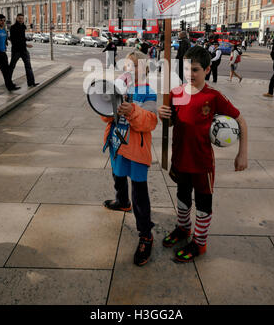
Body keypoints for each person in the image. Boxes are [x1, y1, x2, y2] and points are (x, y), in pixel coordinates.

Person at [158, 45, 248, 262]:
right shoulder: (176, 93)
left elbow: (240, 121)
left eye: (195, 69)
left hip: (202, 163)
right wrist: (163, 116)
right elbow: (171, 123)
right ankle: (183, 228)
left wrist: (242, 153)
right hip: (180, 159)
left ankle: (199, 243)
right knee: (181, 198)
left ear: (207, 70)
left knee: (203, 203)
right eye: (187, 69)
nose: (190, 74)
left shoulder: (213, 96)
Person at [101, 50, 158, 266]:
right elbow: (106, 116)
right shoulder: (118, 87)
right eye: (127, 66)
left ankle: (145, 234)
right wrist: (109, 106)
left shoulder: (149, 92)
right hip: (117, 144)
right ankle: (122, 202)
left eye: (135, 66)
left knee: (139, 191)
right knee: (117, 175)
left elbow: (150, 122)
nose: (130, 70)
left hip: (136, 149)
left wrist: (132, 110)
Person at [0, 14, 21, 94]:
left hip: (2, 53)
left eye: (4, 20)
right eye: (1, 20)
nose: (3, 22)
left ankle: (10, 86)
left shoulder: (5, 30)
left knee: (7, 71)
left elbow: (5, 39)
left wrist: (6, 45)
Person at [9, 13, 39, 88]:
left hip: (24, 50)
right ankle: (9, 83)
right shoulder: (13, 27)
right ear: (16, 18)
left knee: (28, 66)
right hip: (16, 50)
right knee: (12, 67)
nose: (21, 20)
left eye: (22, 18)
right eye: (19, 18)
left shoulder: (23, 27)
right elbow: (14, 40)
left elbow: (22, 38)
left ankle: (31, 82)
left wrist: (25, 44)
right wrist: (25, 44)